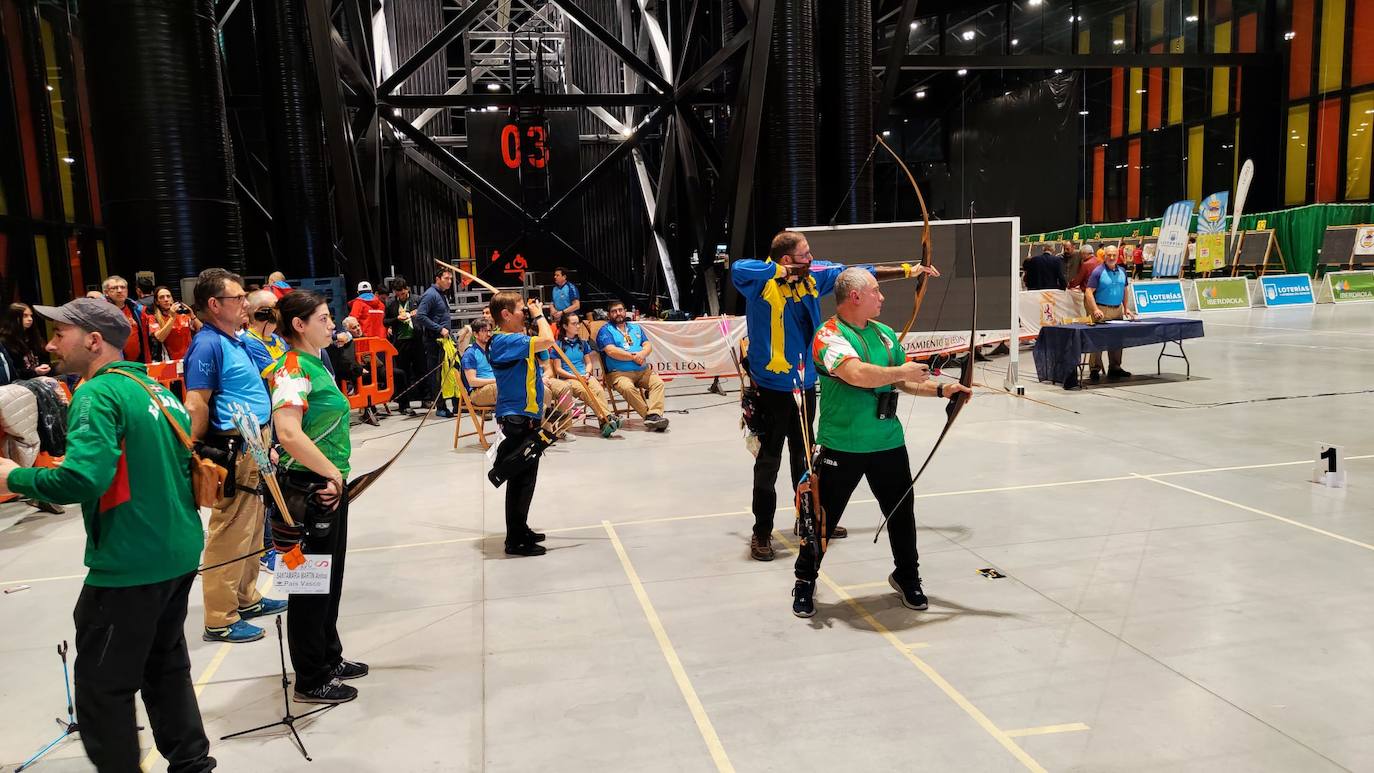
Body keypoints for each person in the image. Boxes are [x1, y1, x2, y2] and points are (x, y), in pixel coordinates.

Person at [0, 298, 217, 772]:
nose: (51, 344)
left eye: (60, 334)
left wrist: (12, 477)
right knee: (165, 666)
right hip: (176, 550)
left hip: (130, 562)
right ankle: (192, 764)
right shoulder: (151, 387)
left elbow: (82, 479)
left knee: (103, 687)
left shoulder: (97, 395)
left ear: (93, 341)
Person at [730, 230, 937, 561]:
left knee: (805, 458)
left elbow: (857, 273)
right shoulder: (761, 280)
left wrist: (911, 270)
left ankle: (807, 521)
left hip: (805, 384)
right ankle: (762, 532)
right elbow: (739, 268)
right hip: (771, 388)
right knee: (768, 463)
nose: (811, 260)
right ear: (786, 259)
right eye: (805, 256)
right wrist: (785, 272)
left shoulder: (813, 278)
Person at [791, 269, 972, 618]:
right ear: (855, 296)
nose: (882, 297)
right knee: (822, 518)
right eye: (876, 291)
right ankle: (804, 580)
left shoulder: (886, 335)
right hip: (842, 444)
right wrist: (903, 372)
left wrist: (942, 389)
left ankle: (908, 576)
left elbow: (904, 382)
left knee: (901, 513)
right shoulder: (828, 336)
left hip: (888, 443)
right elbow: (856, 374)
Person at [264, 291, 367, 704]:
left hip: (327, 485)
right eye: (323, 319)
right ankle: (310, 676)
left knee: (331, 577)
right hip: (307, 489)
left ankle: (328, 655)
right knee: (309, 585)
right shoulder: (291, 368)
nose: (332, 325)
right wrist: (328, 473)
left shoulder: (315, 363)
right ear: (299, 325)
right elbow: (288, 432)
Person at [184, 268, 288, 643]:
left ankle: (246, 596)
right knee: (230, 531)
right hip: (234, 447)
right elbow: (196, 404)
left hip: (255, 442)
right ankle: (219, 617)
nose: (245, 303)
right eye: (238, 298)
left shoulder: (236, 340)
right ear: (214, 305)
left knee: (252, 527)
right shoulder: (207, 344)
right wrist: (191, 454)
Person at [488, 292, 555, 556]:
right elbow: (548, 340)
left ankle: (520, 527)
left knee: (526, 477)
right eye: (519, 310)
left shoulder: (516, 341)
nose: (524, 314)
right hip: (515, 417)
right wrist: (539, 314)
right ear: (505, 315)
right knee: (520, 479)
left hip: (526, 415)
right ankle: (514, 540)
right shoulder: (505, 340)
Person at [595, 300, 668, 431]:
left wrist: (642, 354)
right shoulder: (605, 330)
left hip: (642, 371)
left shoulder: (636, 328)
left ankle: (654, 414)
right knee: (627, 388)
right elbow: (611, 351)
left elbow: (647, 345)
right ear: (609, 314)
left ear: (625, 311)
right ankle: (650, 417)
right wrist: (634, 357)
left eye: (620, 310)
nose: (618, 313)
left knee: (658, 383)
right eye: (614, 311)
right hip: (618, 373)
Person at [546, 312, 618, 437]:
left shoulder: (583, 343)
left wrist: (587, 373)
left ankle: (604, 423)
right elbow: (558, 369)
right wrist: (576, 377)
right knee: (584, 391)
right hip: (569, 378)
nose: (578, 326)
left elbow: (588, 363)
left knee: (599, 390)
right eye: (574, 324)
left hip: (584, 375)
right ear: (565, 326)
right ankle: (606, 417)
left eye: (578, 323)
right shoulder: (558, 346)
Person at [1083, 245, 1136, 383]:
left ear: (1117, 256)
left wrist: (1126, 308)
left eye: (1114, 255)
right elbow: (1088, 292)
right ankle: (1095, 369)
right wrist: (1095, 309)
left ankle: (1115, 367)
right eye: (1109, 255)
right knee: (1097, 341)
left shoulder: (1122, 271)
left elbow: (1125, 290)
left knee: (1117, 339)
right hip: (1102, 310)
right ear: (1104, 256)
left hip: (1117, 309)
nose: (1112, 257)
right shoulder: (1098, 272)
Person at [412, 268, 453, 410]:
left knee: (450, 371)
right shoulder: (430, 295)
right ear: (437, 278)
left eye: (451, 279)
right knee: (436, 374)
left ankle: (455, 404)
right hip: (434, 340)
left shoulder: (441, 294)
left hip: (444, 339)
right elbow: (420, 316)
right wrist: (439, 328)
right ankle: (440, 407)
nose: (449, 281)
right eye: (446, 278)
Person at [384, 279, 422, 415]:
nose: (401, 296)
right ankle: (404, 404)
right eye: (398, 294)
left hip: (417, 339)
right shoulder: (390, 303)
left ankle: (425, 398)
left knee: (420, 369)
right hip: (400, 341)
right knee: (402, 373)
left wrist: (417, 313)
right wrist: (396, 319)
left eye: (403, 293)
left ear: (407, 289)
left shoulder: (417, 299)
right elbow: (385, 321)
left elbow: (425, 314)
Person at [103, 275, 153, 364]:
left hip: (138, 363)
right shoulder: (101, 312)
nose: (119, 290)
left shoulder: (138, 310)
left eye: (123, 287)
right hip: (114, 364)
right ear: (106, 292)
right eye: (114, 288)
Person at [239, 289, 287, 375]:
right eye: (274, 308)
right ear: (261, 314)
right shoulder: (248, 341)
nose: (279, 312)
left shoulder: (277, 338)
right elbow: (276, 374)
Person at [148, 286, 202, 361]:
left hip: (190, 358)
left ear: (172, 299)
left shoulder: (183, 315)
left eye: (168, 296)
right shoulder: (153, 318)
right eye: (162, 297)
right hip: (169, 361)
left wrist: (192, 316)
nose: (166, 299)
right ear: (157, 302)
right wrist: (172, 318)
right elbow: (160, 337)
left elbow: (202, 331)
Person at [0, 302, 53, 378]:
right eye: (25, 316)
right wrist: (34, 372)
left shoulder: (33, 336)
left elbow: (43, 358)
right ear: (14, 318)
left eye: (31, 316)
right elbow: (12, 372)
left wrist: (45, 367)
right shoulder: (5, 341)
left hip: (41, 378)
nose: (30, 319)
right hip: (20, 383)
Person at [460, 318, 498, 408]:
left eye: (489, 331)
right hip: (478, 392)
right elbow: (472, 382)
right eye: (484, 331)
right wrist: (496, 380)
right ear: (475, 334)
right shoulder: (470, 353)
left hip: (494, 388)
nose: (488, 334)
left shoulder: (493, 350)